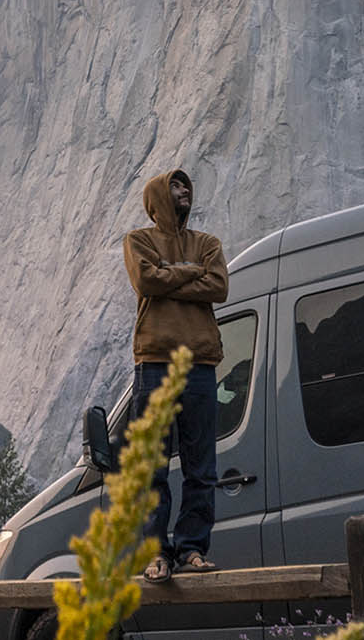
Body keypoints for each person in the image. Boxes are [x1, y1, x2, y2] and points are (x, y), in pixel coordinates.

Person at [117, 168, 228, 578]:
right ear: (158, 198)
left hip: (199, 364)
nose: (183, 191)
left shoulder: (208, 244)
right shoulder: (138, 241)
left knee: (202, 468)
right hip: (155, 362)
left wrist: (168, 276)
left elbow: (218, 286)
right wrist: (189, 272)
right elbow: (145, 279)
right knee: (152, 467)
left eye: (185, 186)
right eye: (175, 186)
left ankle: (192, 549)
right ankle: (155, 553)